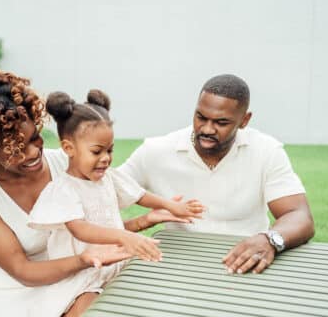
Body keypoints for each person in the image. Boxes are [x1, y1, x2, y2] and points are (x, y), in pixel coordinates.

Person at [0, 71, 191, 317]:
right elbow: (22, 270)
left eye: (35, 138)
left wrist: (143, 221)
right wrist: (83, 259)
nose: (32, 152)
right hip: (29, 291)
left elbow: (91, 230)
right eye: (15, 149)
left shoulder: (68, 163)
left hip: (88, 272)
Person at [26, 90, 203, 316]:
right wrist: (123, 236)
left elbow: (139, 195)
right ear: (69, 148)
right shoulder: (64, 190)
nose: (106, 158)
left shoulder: (109, 177)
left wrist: (171, 205)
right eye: (96, 151)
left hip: (115, 265)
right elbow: (80, 229)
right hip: (82, 274)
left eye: (109, 150)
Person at [119, 74, 315, 275]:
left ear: (244, 120)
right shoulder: (156, 151)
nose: (207, 129)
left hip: (245, 265)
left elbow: (299, 215)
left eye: (221, 122)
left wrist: (269, 240)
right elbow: (103, 193)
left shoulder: (266, 151)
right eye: (201, 117)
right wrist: (141, 222)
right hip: (176, 265)